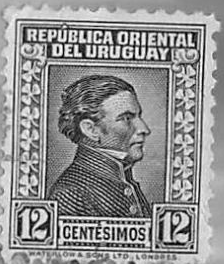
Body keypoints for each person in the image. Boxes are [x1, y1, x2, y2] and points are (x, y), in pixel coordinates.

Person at [49, 74, 153, 219]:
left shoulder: (124, 179)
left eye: (138, 117)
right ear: (91, 130)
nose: (144, 129)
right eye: (126, 119)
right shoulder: (70, 194)